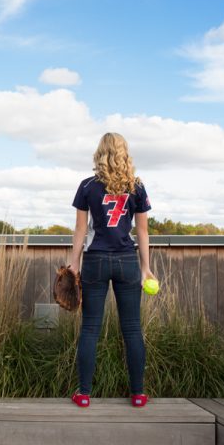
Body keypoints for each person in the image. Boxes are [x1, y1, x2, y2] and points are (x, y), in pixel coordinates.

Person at [68, 131, 153, 408]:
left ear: (100, 152)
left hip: (95, 260)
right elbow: (142, 232)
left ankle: (83, 394)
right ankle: (138, 394)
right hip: (127, 260)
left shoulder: (87, 186)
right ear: (123, 152)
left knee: (90, 328)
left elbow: (81, 230)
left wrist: (73, 263)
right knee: (132, 329)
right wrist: (146, 269)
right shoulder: (137, 186)